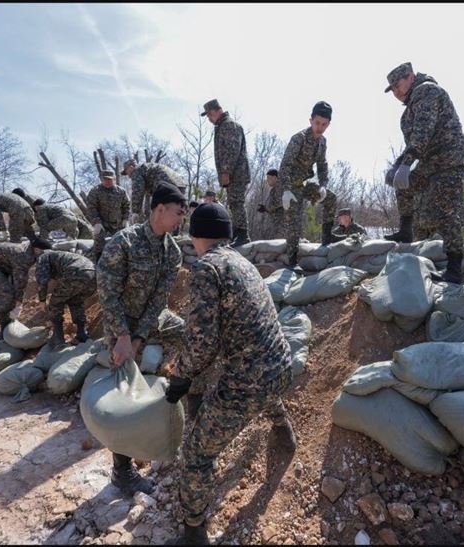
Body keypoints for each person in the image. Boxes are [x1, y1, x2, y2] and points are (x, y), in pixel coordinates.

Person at [164, 202, 297, 545]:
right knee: (262, 383)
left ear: (195, 236)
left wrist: (179, 375)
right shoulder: (242, 261)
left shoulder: (207, 268)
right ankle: (283, 432)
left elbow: (201, 343)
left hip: (248, 385)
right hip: (282, 368)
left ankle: (193, 534)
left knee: (196, 455)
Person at [97, 184, 188, 498]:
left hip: (148, 320)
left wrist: (139, 337)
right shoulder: (124, 242)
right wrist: (123, 338)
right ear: (160, 208)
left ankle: (189, 407)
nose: (181, 220)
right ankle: (122, 472)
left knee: (191, 337)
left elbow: (159, 301)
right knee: (124, 384)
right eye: (178, 213)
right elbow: (108, 295)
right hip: (118, 321)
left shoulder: (173, 251)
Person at [381, 62, 464, 284]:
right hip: (431, 161)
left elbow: (422, 133)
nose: (395, 92)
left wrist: (406, 163)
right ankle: (405, 230)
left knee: (447, 209)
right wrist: (397, 166)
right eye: (391, 89)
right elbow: (413, 143)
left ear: (410, 77)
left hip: (449, 158)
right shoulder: (410, 106)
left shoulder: (427, 91)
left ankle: (454, 268)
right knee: (401, 183)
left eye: (397, 86)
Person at [279, 101, 339, 267]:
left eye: (324, 124)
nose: (320, 127)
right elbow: (285, 166)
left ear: (328, 124)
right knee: (295, 221)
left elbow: (322, 165)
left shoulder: (322, 142)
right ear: (310, 120)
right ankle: (292, 261)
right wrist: (285, 190)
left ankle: (327, 237)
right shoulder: (299, 139)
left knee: (331, 198)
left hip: (304, 185)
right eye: (317, 123)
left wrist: (323, 185)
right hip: (289, 187)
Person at [0, 238, 53, 337]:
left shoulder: (29, 251)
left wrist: (17, 300)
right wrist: (19, 302)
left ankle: (5, 327)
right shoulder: (24, 256)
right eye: (44, 253)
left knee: (10, 295)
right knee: (6, 294)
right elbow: (20, 280)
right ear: (37, 250)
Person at [202, 99, 251, 247]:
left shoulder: (229, 125)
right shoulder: (222, 126)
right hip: (233, 174)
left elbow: (231, 150)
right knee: (233, 203)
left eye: (211, 114)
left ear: (219, 110)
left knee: (237, 202)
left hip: (236, 173)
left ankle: (243, 234)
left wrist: (225, 172)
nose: (210, 119)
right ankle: (238, 231)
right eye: (208, 116)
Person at [35, 250, 96, 346]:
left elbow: (42, 281)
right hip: (93, 276)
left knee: (55, 303)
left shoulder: (42, 258)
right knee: (76, 301)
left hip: (75, 272)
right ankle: (81, 334)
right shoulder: (62, 255)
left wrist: (42, 300)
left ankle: (58, 337)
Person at [85, 169, 131, 261]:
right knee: (99, 245)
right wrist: (96, 222)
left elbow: (127, 206)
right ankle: (98, 263)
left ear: (114, 179)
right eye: (105, 179)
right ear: (101, 179)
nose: (108, 181)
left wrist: (125, 219)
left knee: (125, 243)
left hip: (118, 224)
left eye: (110, 179)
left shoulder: (121, 191)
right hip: (102, 224)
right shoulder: (95, 191)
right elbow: (91, 208)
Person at [256, 169, 285, 239]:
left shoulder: (281, 188)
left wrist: (267, 208)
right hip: (276, 223)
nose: (267, 180)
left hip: (284, 223)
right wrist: (265, 209)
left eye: (269, 178)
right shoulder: (273, 190)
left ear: (275, 178)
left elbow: (281, 203)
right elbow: (274, 209)